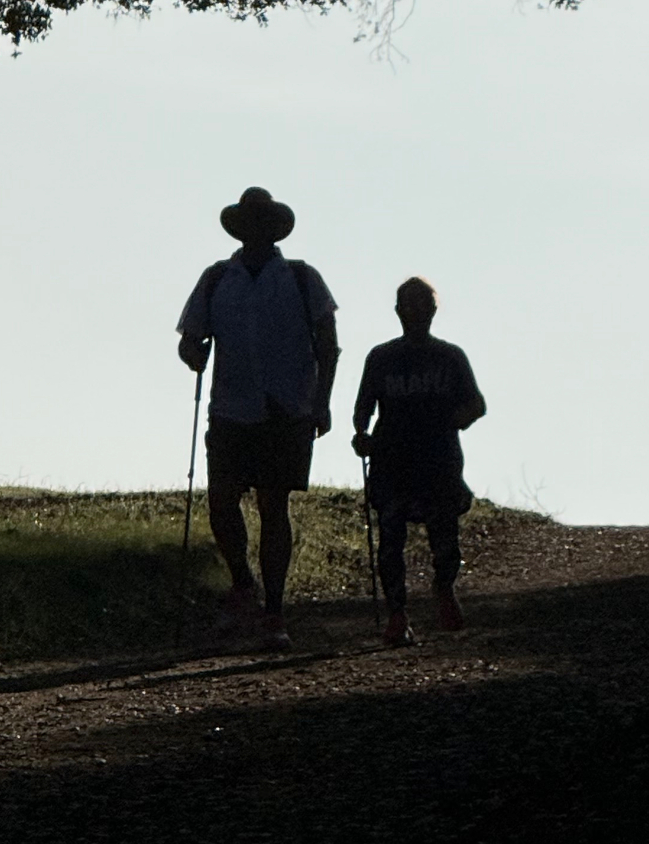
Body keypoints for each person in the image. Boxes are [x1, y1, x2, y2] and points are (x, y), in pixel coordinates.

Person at [177, 185, 338, 651]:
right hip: (232, 405)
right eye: (251, 226)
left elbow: (328, 346)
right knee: (222, 501)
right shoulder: (216, 279)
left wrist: (321, 401)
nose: (256, 234)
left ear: (271, 231)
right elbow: (189, 338)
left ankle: (273, 607)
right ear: (243, 231)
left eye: (262, 226)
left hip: (285, 405)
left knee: (273, 505)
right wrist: (194, 352)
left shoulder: (303, 278)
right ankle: (245, 585)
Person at [351, 276, 487, 646]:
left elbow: (476, 404)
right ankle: (397, 614)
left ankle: (443, 591)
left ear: (433, 311)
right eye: (410, 306)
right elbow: (363, 408)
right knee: (391, 539)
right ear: (398, 312)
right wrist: (362, 435)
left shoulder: (450, 357)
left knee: (444, 537)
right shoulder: (381, 358)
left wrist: (454, 420)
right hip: (393, 461)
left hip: (437, 461)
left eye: (422, 305)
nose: (415, 313)